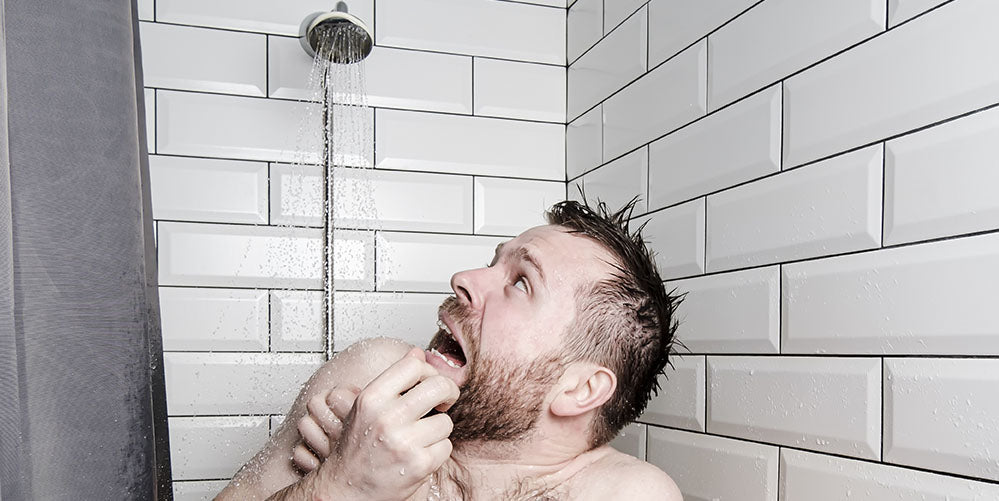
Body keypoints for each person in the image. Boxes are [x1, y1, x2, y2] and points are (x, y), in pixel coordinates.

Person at [217, 199, 684, 500]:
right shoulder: (373, 380)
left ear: (581, 388)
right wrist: (338, 486)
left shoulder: (621, 494)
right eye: (491, 262)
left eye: (521, 283)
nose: (464, 278)